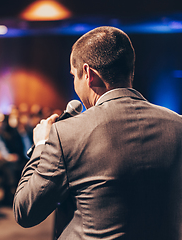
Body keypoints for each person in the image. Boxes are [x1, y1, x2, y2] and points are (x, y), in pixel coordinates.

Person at [13, 26, 182, 240]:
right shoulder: (178, 125)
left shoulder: (67, 133)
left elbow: (25, 211)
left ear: (88, 74)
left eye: (75, 76)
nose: (75, 83)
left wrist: (41, 147)